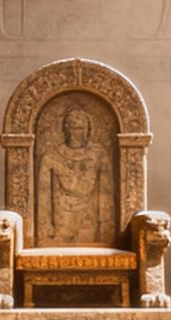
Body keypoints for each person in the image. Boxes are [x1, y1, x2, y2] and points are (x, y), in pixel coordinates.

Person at [36, 102, 116, 244]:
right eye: (73, 128)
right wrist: (45, 227)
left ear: (88, 130)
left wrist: (106, 226)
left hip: (89, 218)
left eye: (80, 128)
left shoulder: (98, 153)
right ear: (65, 130)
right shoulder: (52, 156)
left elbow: (106, 192)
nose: (76, 133)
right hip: (62, 220)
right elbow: (43, 196)